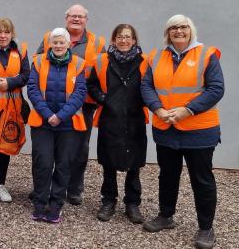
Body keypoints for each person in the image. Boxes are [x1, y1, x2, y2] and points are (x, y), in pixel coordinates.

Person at [141, 14, 224, 249]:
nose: (179, 31)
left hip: (199, 128)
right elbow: (146, 85)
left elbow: (216, 89)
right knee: (167, 175)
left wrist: (188, 110)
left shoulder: (207, 55)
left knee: (202, 179)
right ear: (168, 32)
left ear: (191, 30)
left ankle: (206, 228)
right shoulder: (156, 56)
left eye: (183, 27)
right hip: (166, 127)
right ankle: (166, 216)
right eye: (173, 28)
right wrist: (157, 109)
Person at [35, 4, 105, 205]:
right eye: (73, 16)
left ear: (86, 20)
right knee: (48, 151)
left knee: (79, 149)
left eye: (80, 16)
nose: (76, 19)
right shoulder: (51, 36)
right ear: (66, 18)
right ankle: (44, 188)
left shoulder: (97, 42)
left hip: (83, 104)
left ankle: (74, 189)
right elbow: (38, 62)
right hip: (50, 104)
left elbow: (104, 70)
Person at [87, 24, 148, 224]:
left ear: (134, 40)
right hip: (110, 118)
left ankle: (132, 203)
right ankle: (108, 201)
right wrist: (104, 99)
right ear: (113, 39)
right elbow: (91, 84)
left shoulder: (144, 62)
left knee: (134, 165)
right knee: (109, 163)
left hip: (135, 118)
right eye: (120, 37)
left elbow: (151, 86)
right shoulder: (102, 60)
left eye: (128, 37)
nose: (123, 40)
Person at [28, 28, 86, 223]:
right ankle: (39, 202)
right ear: (49, 44)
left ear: (69, 44)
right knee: (43, 163)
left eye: (62, 42)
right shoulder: (37, 61)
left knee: (63, 165)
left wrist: (60, 116)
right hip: (42, 124)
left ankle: (55, 205)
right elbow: (33, 89)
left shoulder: (79, 64)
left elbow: (80, 94)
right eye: (55, 42)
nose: (59, 45)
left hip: (68, 125)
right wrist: (48, 115)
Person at [0, 18, 30, 203]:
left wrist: (9, 82)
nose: (3, 35)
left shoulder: (21, 51)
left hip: (11, 109)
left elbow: (26, 75)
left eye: (7, 32)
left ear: (12, 34)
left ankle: (1, 184)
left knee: (5, 147)